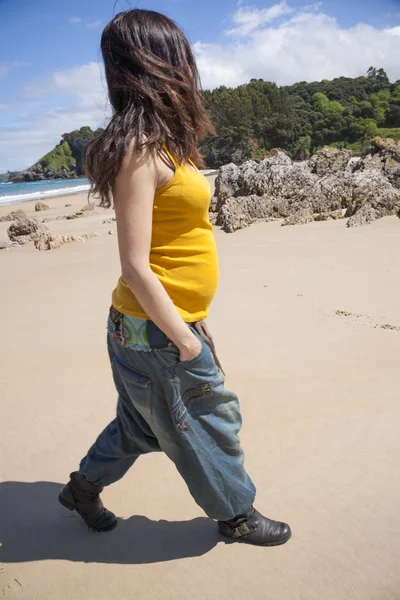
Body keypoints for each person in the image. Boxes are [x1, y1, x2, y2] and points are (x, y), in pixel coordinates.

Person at [59, 8, 291, 547]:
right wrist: (184, 337)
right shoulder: (138, 150)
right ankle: (237, 515)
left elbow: (177, 240)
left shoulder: (163, 142)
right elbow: (136, 264)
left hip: (156, 325)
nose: (189, 66)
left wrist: (193, 316)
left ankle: (82, 489)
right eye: (179, 56)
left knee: (142, 425)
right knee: (211, 420)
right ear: (154, 63)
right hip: (153, 331)